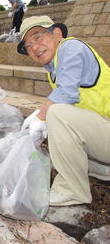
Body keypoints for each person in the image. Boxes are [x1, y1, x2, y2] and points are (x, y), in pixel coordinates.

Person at [18, 15, 110, 206]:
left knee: (56, 113)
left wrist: (41, 116)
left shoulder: (71, 47)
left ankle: (72, 190)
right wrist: (41, 116)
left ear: (57, 33)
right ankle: (102, 168)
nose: (34, 47)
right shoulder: (54, 66)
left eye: (38, 37)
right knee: (55, 115)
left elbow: (65, 94)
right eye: (28, 45)